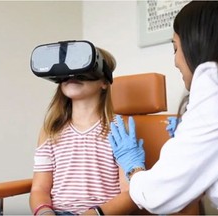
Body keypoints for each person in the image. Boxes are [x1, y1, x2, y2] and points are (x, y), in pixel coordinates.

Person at [109, 1, 218, 215]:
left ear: (196, 42)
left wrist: (133, 169)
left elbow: (159, 194)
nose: (175, 61)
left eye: (175, 48)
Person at [29, 44, 137, 215]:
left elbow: (130, 193)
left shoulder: (118, 128)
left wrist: (94, 214)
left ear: (104, 81)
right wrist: (45, 213)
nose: (72, 75)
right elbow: (39, 189)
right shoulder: (50, 130)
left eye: (82, 66)